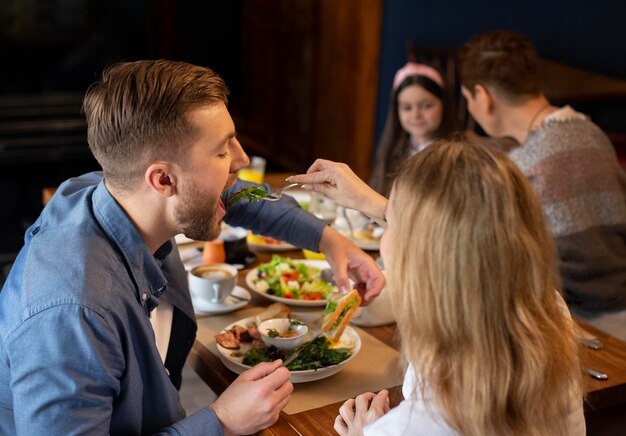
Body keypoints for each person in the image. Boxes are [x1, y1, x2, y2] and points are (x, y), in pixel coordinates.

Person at [0, 60, 384, 435]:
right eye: (221, 151)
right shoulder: (72, 314)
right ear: (163, 179)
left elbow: (236, 196)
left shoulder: (120, 189)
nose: (242, 158)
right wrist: (221, 422)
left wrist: (330, 240)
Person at [288, 137, 585, 435]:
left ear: (423, 260)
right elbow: (464, 230)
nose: (384, 233)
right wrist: (375, 203)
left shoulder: (414, 425)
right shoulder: (547, 307)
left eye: (391, 221)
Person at [459, 29, 626, 340]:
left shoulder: (525, 166)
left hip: (578, 328)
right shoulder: (592, 134)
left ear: (482, 96)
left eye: (468, 99)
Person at [369, 62, 457, 196]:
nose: (416, 115)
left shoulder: (454, 156)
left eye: (426, 105)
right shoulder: (392, 152)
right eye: (407, 107)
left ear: (443, 105)